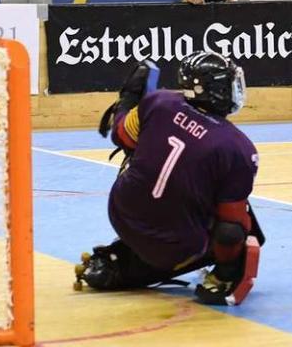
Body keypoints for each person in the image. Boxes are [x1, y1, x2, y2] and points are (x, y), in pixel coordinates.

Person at [76, 52, 264, 306]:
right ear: (218, 89)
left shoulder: (158, 102)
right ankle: (222, 279)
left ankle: (118, 262)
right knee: (242, 221)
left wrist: (129, 99)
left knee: (139, 144)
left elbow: (120, 136)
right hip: (173, 245)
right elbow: (230, 230)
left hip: (121, 213)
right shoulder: (238, 148)